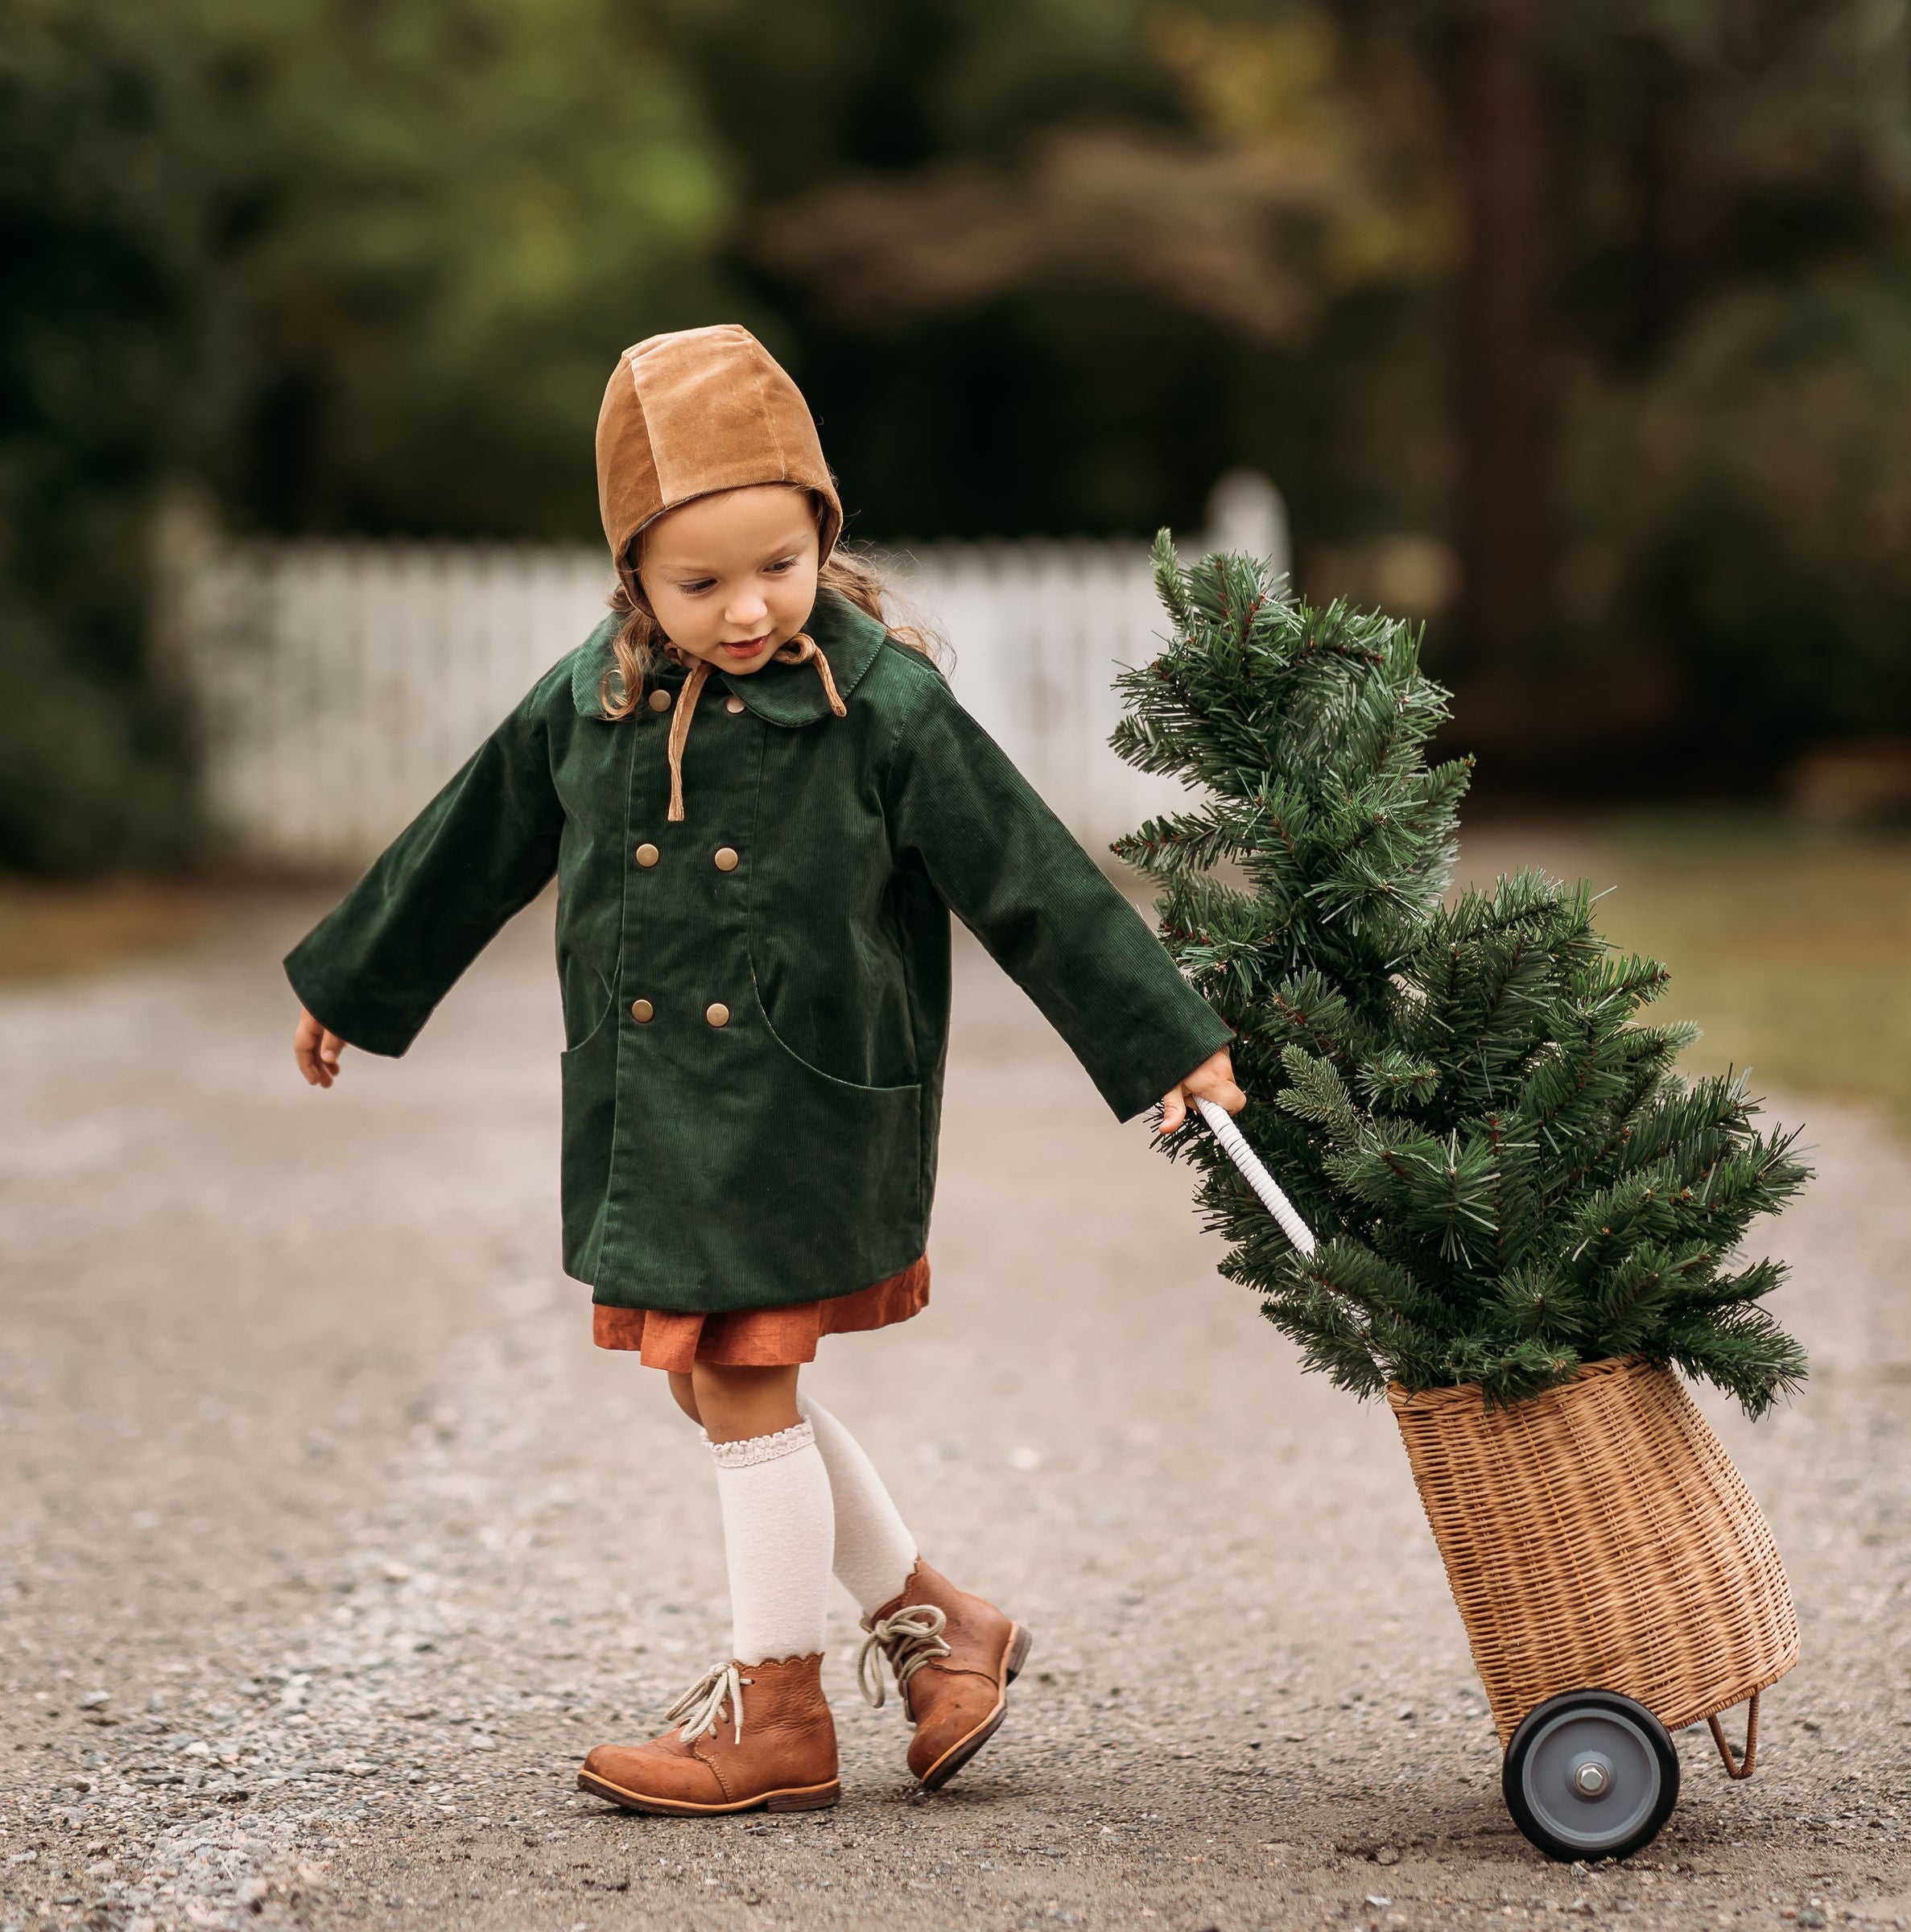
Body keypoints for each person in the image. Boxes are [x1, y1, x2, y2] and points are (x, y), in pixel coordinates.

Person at [286, 323, 1244, 1818]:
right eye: (700, 583)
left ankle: (779, 1717)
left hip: (804, 1099)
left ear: (824, 536)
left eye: (779, 566)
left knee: (745, 1383)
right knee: (719, 1389)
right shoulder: (591, 699)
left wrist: (1163, 1033)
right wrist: (356, 978)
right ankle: (942, 1626)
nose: (746, 610)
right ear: (632, 578)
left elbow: (1034, 882)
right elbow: (469, 841)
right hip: (653, 1109)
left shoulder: (885, 706)